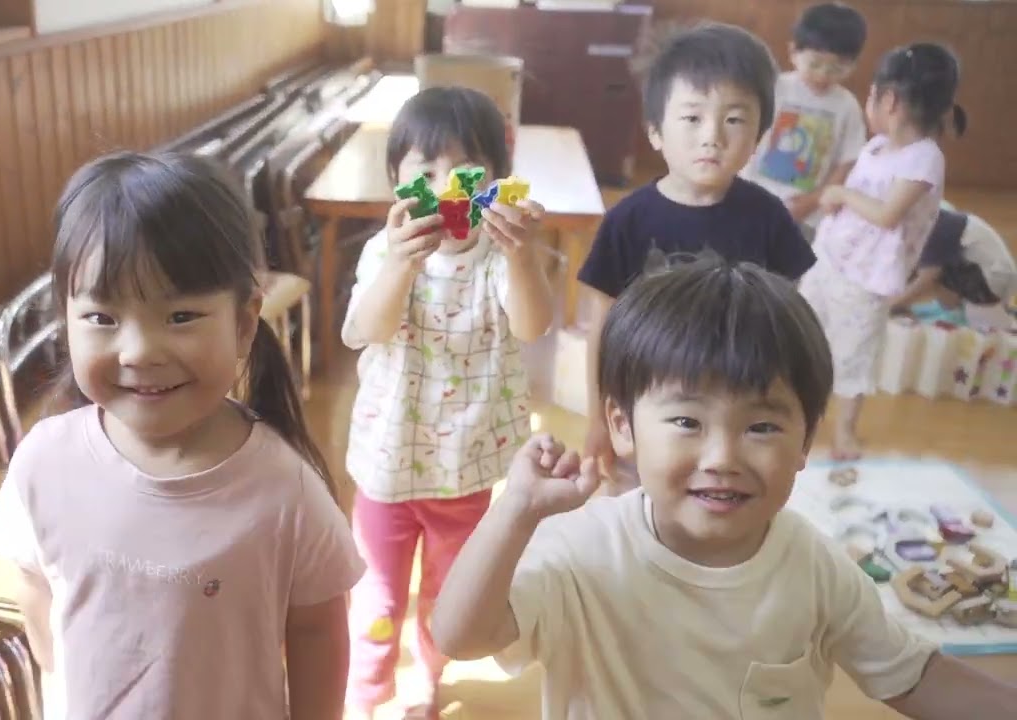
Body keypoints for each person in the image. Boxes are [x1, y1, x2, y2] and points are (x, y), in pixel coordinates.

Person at [430, 254, 1017, 719]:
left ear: (806, 439)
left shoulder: (814, 565)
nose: (723, 457)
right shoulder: (581, 550)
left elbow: (911, 675)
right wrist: (515, 513)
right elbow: (460, 635)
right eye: (687, 422)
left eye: (762, 426)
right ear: (622, 426)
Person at [0, 151, 364, 720]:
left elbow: (317, 631)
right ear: (65, 319)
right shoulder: (44, 461)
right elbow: (34, 584)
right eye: (103, 319)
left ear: (242, 324)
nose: (139, 352)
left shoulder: (283, 487)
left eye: (181, 316)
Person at [341, 85, 555, 719]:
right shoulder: (386, 251)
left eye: (465, 173)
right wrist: (400, 267)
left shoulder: (497, 257)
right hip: (386, 461)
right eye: (424, 171)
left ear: (497, 184)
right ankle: (368, 682)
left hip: (464, 463)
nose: (445, 188)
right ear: (396, 183)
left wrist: (523, 257)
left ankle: (425, 677)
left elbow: (531, 325)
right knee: (376, 595)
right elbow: (364, 330)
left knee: (446, 588)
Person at [579, 22, 816, 491]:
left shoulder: (768, 218)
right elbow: (601, 331)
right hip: (648, 404)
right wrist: (597, 418)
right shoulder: (628, 220)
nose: (712, 136)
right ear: (654, 132)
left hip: (733, 412)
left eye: (734, 119)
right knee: (631, 506)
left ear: (759, 135)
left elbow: (787, 325)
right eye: (692, 118)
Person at [800, 42, 966, 460]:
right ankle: (793, 414)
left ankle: (845, 433)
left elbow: (888, 214)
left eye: (871, 95)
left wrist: (839, 192)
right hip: (830, 260)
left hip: (867, 280)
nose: (868, 103)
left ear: (889, 100)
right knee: (802, 335)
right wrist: (838, 201)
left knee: (853, 356)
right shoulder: (876, 148)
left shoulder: (924, 159)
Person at [742, 2, 869, 243]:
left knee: (792, 268)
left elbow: (847, 162)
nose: (823, 75)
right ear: (793, 52)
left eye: (837, 68)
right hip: (753, 198)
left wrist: (813, 201)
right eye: (815, 64)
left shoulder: (847, 106)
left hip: (808, 214)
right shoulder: (775, 88)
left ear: (853, 64)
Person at [892, 208, 1017, 328]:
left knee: (935, 269)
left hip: (991, 278)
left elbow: (927, 279)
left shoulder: (933, 225)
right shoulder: (937, 219)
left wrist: (892, 305)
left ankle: (960, 316)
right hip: (989, 275)